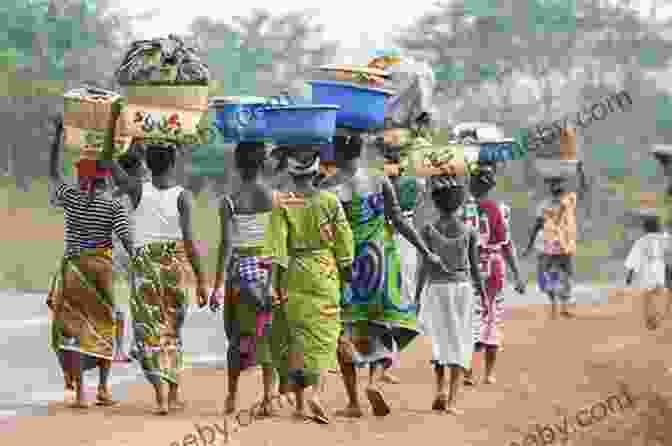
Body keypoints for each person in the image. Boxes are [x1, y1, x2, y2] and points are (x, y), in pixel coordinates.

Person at [318, 135, 444, 418]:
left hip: (347, 267)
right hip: (381, 262)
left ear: (336, 152)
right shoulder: (379, 179)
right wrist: (425, 251)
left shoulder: (327, 187)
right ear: (361, 151)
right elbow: (399, 219)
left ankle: (353, 402)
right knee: (384, 325)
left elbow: (323, 234)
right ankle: (374, 381)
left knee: (346, 331)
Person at [100, 141, 209, 415]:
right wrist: (201, 279)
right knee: (172, 331)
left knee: (147, 333)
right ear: (173, 163)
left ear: (147, 164)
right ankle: (173, 394)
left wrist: (113, 119)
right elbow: (190, 241)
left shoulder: (137, 188)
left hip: (145, 268)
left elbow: (107, 158)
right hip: (173, 266)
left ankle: (160, 394)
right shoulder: (183, 196)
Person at [46, 116, 134, 409]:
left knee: (75, 326)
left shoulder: (71, 196)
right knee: (105, 324)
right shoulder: (113, 204)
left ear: (83, 177)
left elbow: (52, 174)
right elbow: (127, 239)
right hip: (101, 268)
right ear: (105, 177)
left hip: (74, 270)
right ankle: (104, 389)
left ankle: (81, 391)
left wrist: (57, 137)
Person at [267, 145, 354, 423]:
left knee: (297, 338)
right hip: (324, 273)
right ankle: (317, 393)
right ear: (316, 171)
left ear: (291, 172)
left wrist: (273, 284)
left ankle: (301, 405)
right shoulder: (330, 201)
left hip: (293, 273)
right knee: (325, 336)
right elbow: (345, 244)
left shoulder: (282, 203)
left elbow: (277, 249)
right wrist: (347, 274)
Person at [208, 142, 277, 417]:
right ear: (262, 164)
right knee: (267, 336)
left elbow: (226, 244)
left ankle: (232, 395)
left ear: (237, 165)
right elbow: (277, 241)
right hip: (267, 273)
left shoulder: (229, 200)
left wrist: (217, 287)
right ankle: (269, 397)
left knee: (238, 337)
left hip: (239, 276)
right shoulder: (273, 197)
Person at [415, 178, 486, 415]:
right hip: (461, 290)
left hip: (436, 289)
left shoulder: (428, 230)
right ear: (459, 203)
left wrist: (416, 296)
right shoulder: (469, 231)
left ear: (435, 202)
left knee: (440, 341)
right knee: (460, 342)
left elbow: (423, 267)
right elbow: (475, 268)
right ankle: (453, 401)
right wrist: (484, 295)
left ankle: (439, 391)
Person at [461, 163, 526, 385]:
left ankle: (467, 371)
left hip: (470, 267)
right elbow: (506, 245)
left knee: (470, 318)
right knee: (493, 317)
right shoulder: (498, 209)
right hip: (494, 268)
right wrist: (517, 275)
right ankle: (489, 374)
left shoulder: (463, 210)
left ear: (471, 185)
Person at [523, 177, 577, 320]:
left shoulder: (569, 200)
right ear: (550, 188)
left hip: (565, 246)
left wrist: (580, 172)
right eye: (554, 185)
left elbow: (584, 190)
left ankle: (564, 306)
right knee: (547, 278)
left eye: (559, 184)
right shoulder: (544, 205)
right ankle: (554, 304)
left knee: (566, 276)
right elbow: (537, 225)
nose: (557, 187)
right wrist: (529, 246)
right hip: (548, 246)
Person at [625, 215, 672, 330]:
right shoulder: (664, 239)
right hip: (660, 268)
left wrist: (630, 275)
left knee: (647, 296)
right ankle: (659, 316)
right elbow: (669, 254)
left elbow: (634, 258)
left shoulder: (641, 241)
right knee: (660, 293)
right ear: (658, 227)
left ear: (644, 229)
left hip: (647, 270)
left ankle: (650, 319)